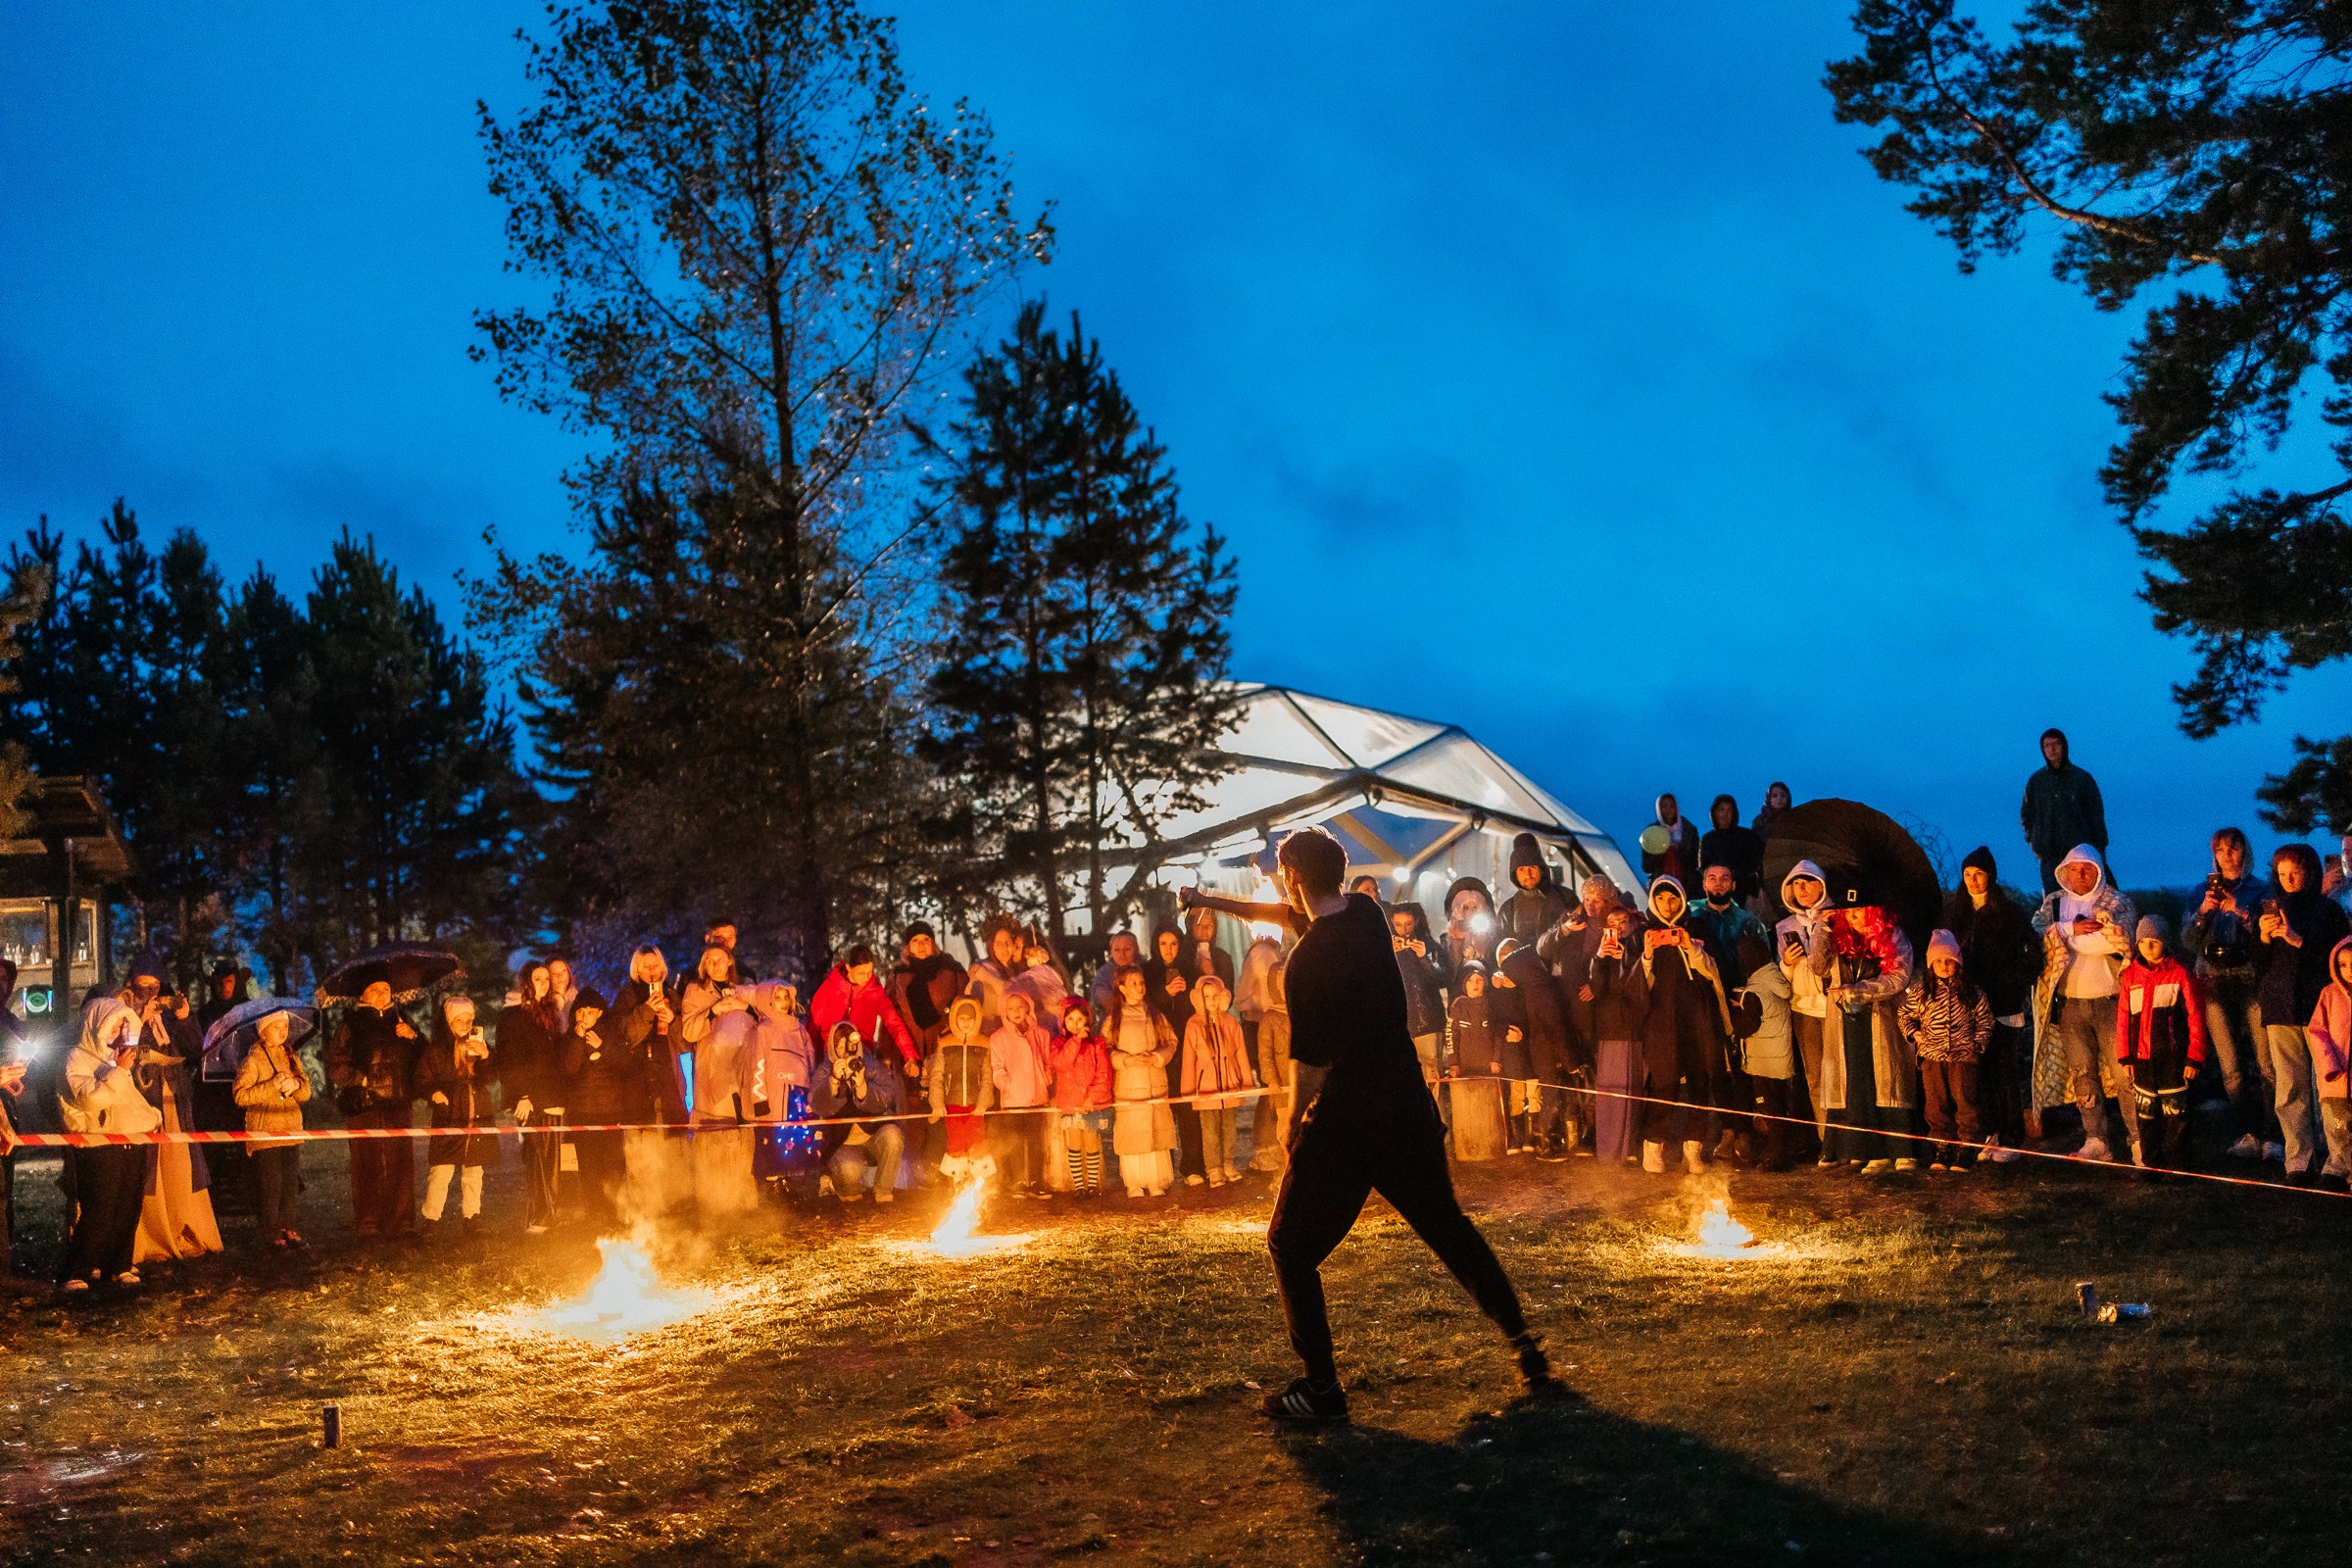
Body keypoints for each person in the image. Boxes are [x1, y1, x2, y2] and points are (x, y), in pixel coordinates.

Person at [1261, 826, 1551, 1424]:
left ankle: (1321, 1392)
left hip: (1346, 1120)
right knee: (1447, 1227)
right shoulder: (1368, 916)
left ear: (1293, 880)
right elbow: (1316, 916)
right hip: (1405, 1108)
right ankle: (1525, 1344)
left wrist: (1292, 1131)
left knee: (1289, 1246)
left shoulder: (1305, 961)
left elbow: (1309, 1064)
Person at [1599, 877, 1733, 1175]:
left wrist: (1691, 949)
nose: (1668, 905)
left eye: (1673, 899)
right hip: (1662, 1021)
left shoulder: (1697, 928)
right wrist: (1647, 956)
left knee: (1701, 1082)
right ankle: (1653, 1144)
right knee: (1664, 1083)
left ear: (1682, 900)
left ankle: (1693, 1148)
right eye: (1661, 900)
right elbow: (1630, 984)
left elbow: (1715, 971)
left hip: (1697, 1018)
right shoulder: (1642, 935)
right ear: (1653, 902)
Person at [57, 971, 168, 1290]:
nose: (120, 1032)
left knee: (128, 1206)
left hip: (129, 1141)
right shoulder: (75, 1059)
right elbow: (92, 1100)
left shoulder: (114, 1059)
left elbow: (128, 1100)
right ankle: (77, 1269)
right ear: (97, 1022)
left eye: (124, 1026)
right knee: (100, 1208)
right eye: (115, 1025)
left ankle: (117, 1263)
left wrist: (151, 1116)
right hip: (98, 1143)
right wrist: (119, 1071)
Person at [1797, 887, 1919, 1174]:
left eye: (1858, 910)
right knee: (1856, 1082)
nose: (1852, 917)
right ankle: (1865, 1151)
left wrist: (1861, 991)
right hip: (1846, 1023)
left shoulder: (1893, 937)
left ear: (1873, 911)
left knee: (1887, 1081)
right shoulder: (1840, 938)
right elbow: (1817, 966)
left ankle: (1900, 1150)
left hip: (1881, 1019)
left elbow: (1900, 976)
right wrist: (1823, 930)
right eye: (1848, 912)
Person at [2032, 846, 2139, 1164]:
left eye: (2087, 869)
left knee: (2124, 1074)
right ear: (2064, 871)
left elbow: (2119, 939)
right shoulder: (2053, 905)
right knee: (2083, 1074)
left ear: (2098, 871)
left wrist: (2065, 938)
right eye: (2074, 868)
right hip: (2070, 1003)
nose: (2080, 875)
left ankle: (2137, 1139)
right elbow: (2038, 935)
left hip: (2110, 1000)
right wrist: (2070, 929)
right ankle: (2096, 1139)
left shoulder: (2117, 902)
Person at [2257, 842, 2349, 1184]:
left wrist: (2298, 941)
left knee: (2328, 1087)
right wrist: (2264, 939)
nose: (2289, 879)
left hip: (2321, 1010)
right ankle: (2299, 1159)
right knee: (2290, 1088)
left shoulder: (2328, 912)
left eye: (2296, 871)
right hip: (2280, 1007)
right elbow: (2259, 966)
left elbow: (2338, 960)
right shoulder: (2270, 909)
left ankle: (2337, 1159)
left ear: (2310, 872)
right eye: (2282, 874)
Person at [1943, 847, 2040, 1161]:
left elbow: (2031, 957)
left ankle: (2010, 1137)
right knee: (1977, 1074)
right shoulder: (1955, 914)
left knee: (2004, 1072)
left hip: (2002, 1004)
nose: (1972, 881)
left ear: (1990, 876)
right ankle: (1989, 1135)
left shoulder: (2009, 914)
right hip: (1966, 1006)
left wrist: (2013, 983)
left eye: (1978, 874)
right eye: (1967, 874)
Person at [2185, 827, 2276, 1160]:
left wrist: (2242, 914)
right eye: (2220, 848)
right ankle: (2246, 1131)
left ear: (2244, 850)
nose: (2227, 854)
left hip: (2251, 979)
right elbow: (2187, 942)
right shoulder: (2199, 891)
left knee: (2266, 1062)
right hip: (2213, 981)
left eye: (2233, 847)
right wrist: (2204, 913)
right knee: (2230, 1064)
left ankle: (2273, 1133)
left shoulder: (2261, 889)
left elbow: (2270, 940)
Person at [132, 981, 223, 1265]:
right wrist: (139, 1020)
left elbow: (197, 1048)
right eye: (143, 984)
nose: (150, 991)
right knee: (150, 1174)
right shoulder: (129, 1016)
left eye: (155, 985)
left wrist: (185, 1018)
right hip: (145, 1103)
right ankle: (151, 1237)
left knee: (181, 1168)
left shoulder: (170, 1020)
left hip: (176, 1104)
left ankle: (185, 1227)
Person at [325, 978, 421, 1241]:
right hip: (363, 1102)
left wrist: (413, 1037)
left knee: (401, 1161)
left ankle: (403, 1221)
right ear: (364, 994)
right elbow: (335, 1063)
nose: (381, 994)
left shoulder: (403, 1019)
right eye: (374, 989)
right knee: (366, 1161)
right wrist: (361, 1080)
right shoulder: (351, 1023)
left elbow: (423, 1056)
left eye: (386, 989)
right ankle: (369, 1221)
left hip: (398, 1100)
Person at [2116, 916, 2209, 1174]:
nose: (2148, 947)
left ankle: (2178, 1165)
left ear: (2165, 943)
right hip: (2141, 1059)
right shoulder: (2130, 977)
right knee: (2145, 1114)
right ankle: (2151, 1164)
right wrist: (2125, 1056)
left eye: (2154, 941)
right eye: (2143, 941)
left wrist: (2194, 1057)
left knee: (2175, 1114)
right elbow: (2123, 1018)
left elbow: (2196, 1017)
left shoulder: (2180, 974)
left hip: (2173, 1057)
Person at [1898, 931, 1993, 1171]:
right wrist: (1915, 1035)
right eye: (1938, 960)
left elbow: (1985, 1021)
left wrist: (1976, 1046)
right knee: (1936, 1104)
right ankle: (1942, 1147)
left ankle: (1967, 1147)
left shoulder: (1972, 992)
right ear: (1931, 963)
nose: (1944, 965)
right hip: (1932, 1056)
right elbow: (1905, 1015)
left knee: (1965, 1102)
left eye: (1949, 960)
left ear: (1958, 963)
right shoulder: (1921, 992)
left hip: (1963, 1057)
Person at [610, 946, 691, 1214]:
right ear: (636, 969)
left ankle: (674, 1206)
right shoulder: (625, 997)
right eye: (646, 966)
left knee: (671, 1145)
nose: (652, 971)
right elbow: (624, 1036)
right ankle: (643, 1209)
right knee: (641, 1149)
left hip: (668, 1081)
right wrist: (645, 1011)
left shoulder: (673, 995)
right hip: (636, 1082)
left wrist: (674, 1020)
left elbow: (685, 1043)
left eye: (656, 965)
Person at [680, 945, 760, 1217]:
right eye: (710, 960)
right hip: (713, 1076)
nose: (715, 965)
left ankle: (743, 1201)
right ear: (704, 966)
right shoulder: (695, 992)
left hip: (743, 1075)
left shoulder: (745, 989)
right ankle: (715, 1203)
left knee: (743, 1134)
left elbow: (763, 1021)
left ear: (729, 962)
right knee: (716, 1139)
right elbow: (689, 1032)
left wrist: (745, 1007)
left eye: (720, 960)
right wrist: (714, 1011)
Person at [416, 993, 498, 1235]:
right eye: (460, 1020)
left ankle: (472, 1217)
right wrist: (433, 1093)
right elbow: (422, 1078)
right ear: (450, 1023)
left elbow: (491, 1078)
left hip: (477, 1114)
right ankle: (431, 1219)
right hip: (449, 1114)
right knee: (441, 1171)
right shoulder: (437, 1050)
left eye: (470, 1020)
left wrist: (485, 1057)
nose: (466, 1025)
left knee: (474, 1171)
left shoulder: (482, 1046)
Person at [499, 961, 568, 1235]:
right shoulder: (513, 1016)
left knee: (552, 1159)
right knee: (536, 1157)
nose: (543, 982)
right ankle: (538, 1216)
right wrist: (522, 1096)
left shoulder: (550, 1012)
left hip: (552, 1094)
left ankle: (549, 1213)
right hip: (530, 1098)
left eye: (545, 978)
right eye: (537, 978)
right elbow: (509, 1059)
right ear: (526, 982)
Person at [232, 1008, 311, 1248]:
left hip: (291, 1130)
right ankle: (271, 1231)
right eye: (276, 1026)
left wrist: (295, 1084)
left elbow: (306, 1092)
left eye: (285, 1026)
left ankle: (287, 1226)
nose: (283, 1031)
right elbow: (240, 1096)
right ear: (263, 1032)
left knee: (289, 1184)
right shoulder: (253, 1060)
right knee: (271, 1185)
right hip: (266, 1133)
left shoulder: (291, 1058)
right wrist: (271, 1086)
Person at [1775, 861, 1838, 1152]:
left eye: (1808, 882)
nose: (1801, 888)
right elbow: (1783, 975)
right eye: (1796, 883)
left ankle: (1847, 1137)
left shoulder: (1838, 918)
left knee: (1840, 1073)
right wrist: (1787, 963)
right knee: (1814, 1075)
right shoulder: (1784, 927)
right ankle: (1826, 1139)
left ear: (1821, 885)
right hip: (1803, 1007)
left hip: (1835, 1005)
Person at [1495, 936, 1574, 1159]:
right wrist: (1506, 1031)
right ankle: (1519, 1137)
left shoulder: (1534, 985)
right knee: (1518, 1094)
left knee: (1539, 1093)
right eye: (1502, 960)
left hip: (1536, 1047)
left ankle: (1540, 1137)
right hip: (1514, 1050)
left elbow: (1544, 1017)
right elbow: (1494, 1017)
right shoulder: (1499, 989)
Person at [810, 1021, 906, 1202]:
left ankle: (883, 1190)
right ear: (833, 1047)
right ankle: (839, 1184)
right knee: (850, 1171)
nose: (845, 1052)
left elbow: (888, 1095)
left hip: (872, 1133)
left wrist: (863, 1087)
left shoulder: (868, 1065)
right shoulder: (825, 1069)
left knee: (893, 1137)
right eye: (840, 1047)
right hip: (843, 1141)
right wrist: (833, 1082)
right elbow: (816, 1104)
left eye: (849, 1047)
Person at [562, 990, 633, 1230]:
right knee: (588, 1167)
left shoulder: (611, 1034)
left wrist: (602, 1046)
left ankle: (612, 1212)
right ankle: (594, 1212)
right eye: (580, 1012)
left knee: (612, 1166)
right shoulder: (569, 1039)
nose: (584, 1017)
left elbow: (625, 1065)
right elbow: (569, 1070)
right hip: (582, 1113)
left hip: (609, 1111)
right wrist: (577, 1041)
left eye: (590, 1012)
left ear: (600, 1013)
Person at [1108, 965, 1181, 1198]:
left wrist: (1158, 1057)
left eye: (1141, 983)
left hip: (1154, 1083)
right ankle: (1134, 1182)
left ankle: (1156, 1180)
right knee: (1133, 1136)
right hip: (1129, 1086)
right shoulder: (1114, 1019)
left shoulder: (1156, 1015)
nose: (1139, 988)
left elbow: (1171, 1041)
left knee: (1155, 1134)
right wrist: (1126, 1060)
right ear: (1122, 987)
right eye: (1133, 983)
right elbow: (1106, 1048)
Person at [1583, 906, 1645, 1164]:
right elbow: (1596, 988)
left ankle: (1630, 1147)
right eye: (1611, 922)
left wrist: (1626, 958)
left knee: (1634, 1089)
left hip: (1633, 1026)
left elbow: (1639, 986)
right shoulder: (1600, 951)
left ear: (1631, 922)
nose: (1617, 927)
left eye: (1622, 921)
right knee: (1611, 1089)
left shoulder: (1639, 946)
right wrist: (1599, 957)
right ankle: (1608, 1150)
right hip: (1609, 1028)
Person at [1182, 973, 1258, 1186]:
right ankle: (1214, 1168)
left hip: (1229, 1085)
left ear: (1223, 996)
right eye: (1207, 996)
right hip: (1205, 1089)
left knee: (1229, 1130)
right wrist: (1188, 1090)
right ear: (1200, 999)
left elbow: (1240, 1053)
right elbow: (1189, 1058)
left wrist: (1245, 1081)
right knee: (1210, 1132)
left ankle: (1228, 1163)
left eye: (1215, 995)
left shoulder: (1231, 1022)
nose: (1212, 1000)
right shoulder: (1194, 1024)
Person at [1734, 938, 1799, 1170]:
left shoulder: (1754, 991)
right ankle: (1781, 1150)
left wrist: (1734, 1015)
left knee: (1769, 1108)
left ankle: (1774, 1156)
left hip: (1763, 1061)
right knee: (1779, 1106)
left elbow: (1746, 1027)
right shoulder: (1775, 979)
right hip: (1779, 1057)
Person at [1145, 927, 1205, 1183]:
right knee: (1163, 1110)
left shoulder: (1191, 970)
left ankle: (1192, 1167)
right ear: (1155, 946)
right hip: (1157, 1046)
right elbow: (1142, 1003)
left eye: (1173, 943)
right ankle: (1164, 1167)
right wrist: (1164, 993)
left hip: (1188, 1046)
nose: (1168, 949)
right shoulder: (1146, 972)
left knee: (1189, 1109)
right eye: (1163, 943)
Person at [2020, 728, 2109, 893]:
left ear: (2064, 746)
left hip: (2080, 853)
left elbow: (2096, 814)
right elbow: (2026, 814)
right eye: (2047, 745)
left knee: (2086, 899)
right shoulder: (2036, 781)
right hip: (2049, 853)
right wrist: (2035, 842)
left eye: (2056, 744)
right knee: (2054, 903)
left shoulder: (2082, 779)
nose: (2052, 749)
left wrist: (2099, 847)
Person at [811, 945, 918, 1081]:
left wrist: (910, 1055)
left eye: (870, 972)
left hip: (863, 1057)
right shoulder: (830, 988)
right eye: (862, 973)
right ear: (849, 968)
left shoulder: (875, 993)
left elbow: (894, 1024)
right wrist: (812, 1061)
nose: (867, 978)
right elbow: (813, 1026)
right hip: (831, 1058)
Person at [989, 990, 1053, 1197]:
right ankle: (1017, 1180)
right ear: (1004, 1011)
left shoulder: (1041, 1034)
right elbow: (997, 1067)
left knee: (1036, 1142)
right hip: (1013, 1099)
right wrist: (1005, 1084)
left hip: (1036, 1096)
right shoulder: (998, 1038)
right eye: (1011, 1008)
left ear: (1028, 1007)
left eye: (1020, 1006)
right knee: (1014, 1142)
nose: (1016, 1012)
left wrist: (1046, 1078)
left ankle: (1036, 1181)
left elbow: (1046, 1060)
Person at [1048, 999, 1113, 1196]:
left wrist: (1092, 1098)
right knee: (1074, 1143)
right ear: (1063, 1021)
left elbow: (1103, 1073)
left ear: (1087, 1020)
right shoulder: (1058, 1043)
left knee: (1091, 1142)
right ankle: (1080, 1187)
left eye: (1079, 1019)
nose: (1075, 1024)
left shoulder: (1097, 1044)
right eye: (1070, 1019)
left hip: (1091, 1103)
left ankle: (1092, 1185)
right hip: (1070, 1103)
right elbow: (1060, 1064)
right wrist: (1075, 1041)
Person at [2303, 935, 2352, 1190]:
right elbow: (2317, 1032)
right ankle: (2339, 1165)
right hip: (2335, 1080)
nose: (2348, 970)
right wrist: (2329, 1066)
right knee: (2337, 1127)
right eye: (2343, 964)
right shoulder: (2329, 994)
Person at [1388, 903, 1449, 1102]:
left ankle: (1436, 1121)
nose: (1403, 930)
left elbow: (1444, 978)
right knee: (1404, 1077)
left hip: (1428, 1020)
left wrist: (1425, 958)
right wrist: (1388, 955)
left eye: (1408, 924)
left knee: (1432, 1074)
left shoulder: (1430, 946)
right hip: (1400, 1024)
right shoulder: (1386, 947)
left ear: (1416, 922)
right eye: (1398, 925)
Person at [928, 998, 996, 1179]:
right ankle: (958, 1182)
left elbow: (988, 1076)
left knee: (977, 1142)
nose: (966, 1023)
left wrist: (983, 1103)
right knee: (956, 1143)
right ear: (954, 1019)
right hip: (952, 1104)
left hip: (976, 1105)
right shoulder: (945, 1043)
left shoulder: (983, 1043)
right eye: (962, 1018)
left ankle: (979, 1183)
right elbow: (937, 1076)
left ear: (977, 1019)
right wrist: (937, 1102)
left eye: (970, 1018)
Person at [889, 923, 968, 1066]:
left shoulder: (951, 968)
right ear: (908, 946)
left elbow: (965, 1003)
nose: (921, 945)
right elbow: (889, 1015)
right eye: (915, 940)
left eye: (926, 939)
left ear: (933, 943)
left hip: (944, 1044)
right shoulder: (899, 975)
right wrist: (887, 1053)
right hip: (909, 1050)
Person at [1495, 833, 1573, 949]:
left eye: (1532, 868)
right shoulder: (1508, 909)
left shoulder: (1565, 898)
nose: (1528, 874)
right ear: (1515, 874)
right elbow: (1502, 950)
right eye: (1522, 869)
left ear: (1542, 869)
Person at [0, 960, 27, 1284]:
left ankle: (6, 1258)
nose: (2, 986)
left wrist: (14, 1079)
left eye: (7, 980)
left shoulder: (13, 1023)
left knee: (7, 1188)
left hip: (6, 1113)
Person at [1698, 796, 1766, 907]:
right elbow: (1703, 867)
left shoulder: (1748, 836)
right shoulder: (1707, 839)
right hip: (1716, 894)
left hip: (1744, 893)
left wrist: (1732, 877)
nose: (1725, 814)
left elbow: (1754, 863)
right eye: (1721, 810)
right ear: (1714, 813)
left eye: (1729, 810)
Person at [965, 914, 1027, 1033]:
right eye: (998, 944)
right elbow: (970, 1004)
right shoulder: (981, 972)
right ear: (991, 946)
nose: (1004, 948)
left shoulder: (1020, 971)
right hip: (991, 1034)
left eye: (1007, 942)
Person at [1439, 877, 1498, 984]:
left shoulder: (1494, 937)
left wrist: (1482, 943)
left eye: (1475, 908)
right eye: (1466, 908)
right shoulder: (1446, 940)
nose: (1470, 912)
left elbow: (1495, 966)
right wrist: (1457, 943)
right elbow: (1448, 975)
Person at [1639, 794, 1700, 888]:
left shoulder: (1689, 830)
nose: (1668, 810)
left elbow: (1696, 862)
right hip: (1661, 887)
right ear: (1659, 809)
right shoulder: (1652, 832)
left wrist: (1680, 851)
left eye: (1671, 806)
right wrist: (1660, 853)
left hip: (1687, 886)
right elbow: (1647, 867)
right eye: (1664, 806)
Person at [1091, 931, 1142, 1016]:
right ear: (1111, 951)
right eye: (1117, 950)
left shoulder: (1146, 969)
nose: (1122, 954)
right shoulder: (1105, 972)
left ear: (1136, 949)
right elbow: (1098, 992)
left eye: (1127, 949)